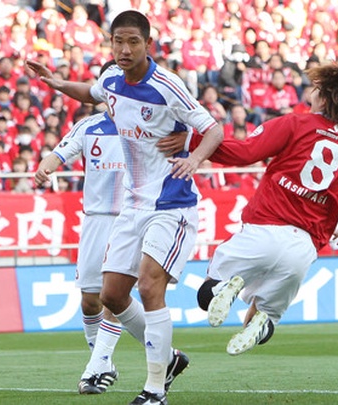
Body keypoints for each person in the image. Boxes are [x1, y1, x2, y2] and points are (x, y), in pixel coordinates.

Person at [27, 10, 224, 405]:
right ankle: (167, 360)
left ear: (147, 44)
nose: (125, 48)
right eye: (118, 41)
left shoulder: (169, 85)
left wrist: (194, 157)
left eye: (133, 41)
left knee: (150, 287)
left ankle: (154, 391)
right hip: (132, 206)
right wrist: (56, 83)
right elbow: (92, 93)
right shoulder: (111, 81)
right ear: (111, 43)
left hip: (170, 202)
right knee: (112, 296)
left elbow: (214, 128)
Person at [187, 64, 338, 356]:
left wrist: (195, 144)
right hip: (302, 250)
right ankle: (261, 323)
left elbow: (245, 153)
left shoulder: (296, 124)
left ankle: (223, 287)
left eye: (315, 90)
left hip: (262, 230)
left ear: (324, 99)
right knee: (262, 317)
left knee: (205, 296)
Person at [35, 106, 189, 396]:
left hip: (132, 217)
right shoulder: (89, 127)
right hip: (96, 218)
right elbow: (59, 152)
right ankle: (166, 357)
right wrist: (47, 166)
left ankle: (98, 364)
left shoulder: (146, 123)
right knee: (90, 301)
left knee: (115, 294)